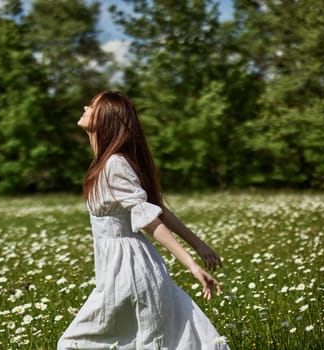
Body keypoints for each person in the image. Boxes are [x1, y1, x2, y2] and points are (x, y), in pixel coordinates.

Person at [57, 91, 229, 350]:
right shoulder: (106, 163)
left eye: (93, 106)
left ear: (106, 118)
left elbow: (150, 219)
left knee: (73, 344)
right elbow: (157, 207)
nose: (85, 107)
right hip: (119, 269)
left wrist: (191, 263)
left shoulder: (114, 165)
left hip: (129, 271)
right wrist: (198, 244)